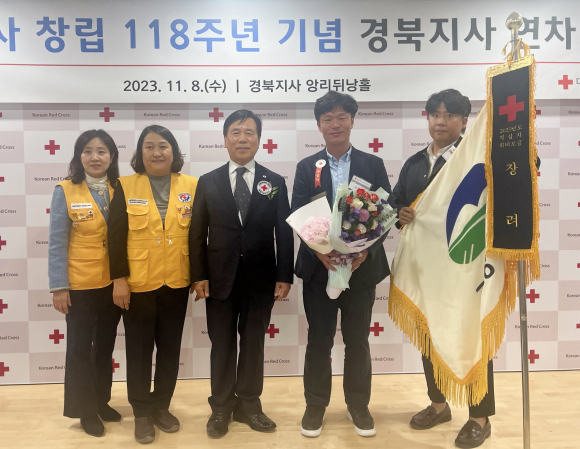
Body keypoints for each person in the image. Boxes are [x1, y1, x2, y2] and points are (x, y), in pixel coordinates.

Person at [394, 88, 494, 448]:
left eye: (449, 114)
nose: (441, 120)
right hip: (425, 268)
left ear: (465, 121)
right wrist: (400, 213)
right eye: (434, 114)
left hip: (464, 268)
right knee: (429, 333)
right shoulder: (414, 162)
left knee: (473, 337)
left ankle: (480, 417)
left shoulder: (477, 158)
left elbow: (528, 167)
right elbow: (396, 202)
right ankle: (438, 405)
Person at [291, 91, 393, 438]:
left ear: (352, 121)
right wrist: (317, 249)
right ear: (319, 125)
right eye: (328, 119)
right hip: (319, 269)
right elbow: (299, 213)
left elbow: (385, 213)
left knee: (357, 340)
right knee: (319, 340)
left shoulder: (372, 164)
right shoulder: (308, 167)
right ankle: (315, 405)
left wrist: (366, 250)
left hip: (361, 270)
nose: (335, 124)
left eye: (341, 117)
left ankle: (358, 405)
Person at [189, 109, 294, 439]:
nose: (243, 138)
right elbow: (196, 233)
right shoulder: (208, 181)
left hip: (261, 279)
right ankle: (221, 407)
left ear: (259, 140)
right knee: (221, 344)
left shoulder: (274, 182)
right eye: (236, 132)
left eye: (250, 132)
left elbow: (284, 231)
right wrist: (198, 275)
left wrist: (285, 275)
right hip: (219, 279)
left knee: (253, 345)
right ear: (225, 140)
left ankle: (249, 405)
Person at [107, 125, 198, 444]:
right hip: (137, 284)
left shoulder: (192, 185)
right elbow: (115, 236)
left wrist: (199, 276)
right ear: (140, 153)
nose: (156, 152)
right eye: (149, 146)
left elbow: (199, 235)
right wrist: (119, 279)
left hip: (177, 281)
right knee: (139, 351)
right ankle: (142, 412)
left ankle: (161, 406)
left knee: (170, 350)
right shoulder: (125, 184)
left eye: (163, 146)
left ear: (174, 152)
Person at [48, 129, 123, 437]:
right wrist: (59, 286)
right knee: (80, 349)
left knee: (105, 346)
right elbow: (57, 241)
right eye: (88, 151)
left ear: (112, 157)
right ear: (79, 156)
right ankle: (85, 410)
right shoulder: (65, 190)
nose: (95, 157)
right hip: (79, 285)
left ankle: (101, 401)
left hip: (113, 283)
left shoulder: (121, 188)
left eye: (102, 151)